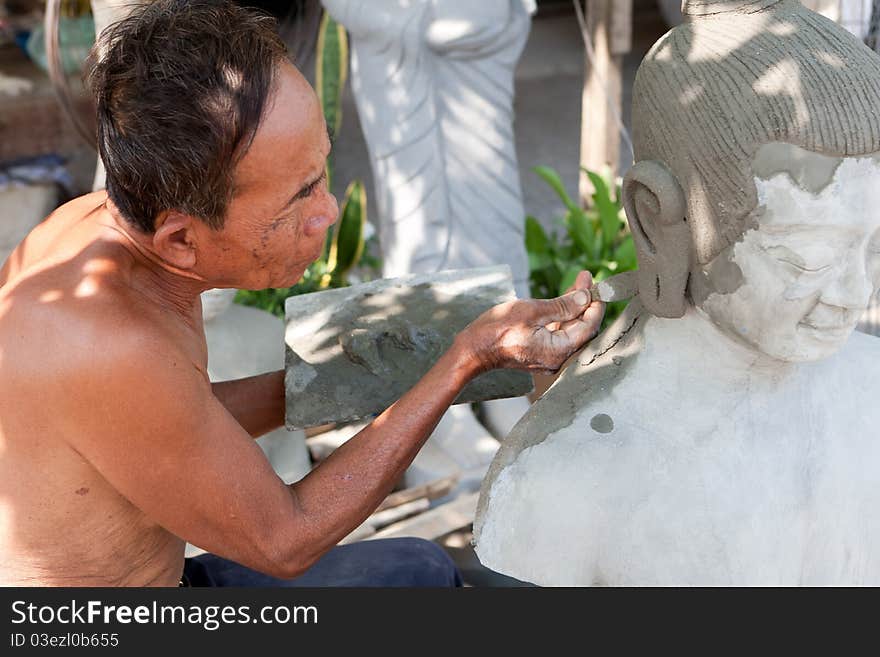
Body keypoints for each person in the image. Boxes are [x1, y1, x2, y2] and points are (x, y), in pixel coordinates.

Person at [0, 0, 604, 587]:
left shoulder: (111, 233)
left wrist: (407, 364)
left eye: (321, 173)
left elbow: (172, 417)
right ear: (182, 240)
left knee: (424, 568)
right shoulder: (107, 340)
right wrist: (462, 361)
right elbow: (286, 540)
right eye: (299, 197)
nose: (330, 211)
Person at [474, 0, 880, 585]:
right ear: (657, 217)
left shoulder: (870, 391)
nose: (856, 292)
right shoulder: (568, 478)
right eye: (805, 256)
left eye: (873, 248)